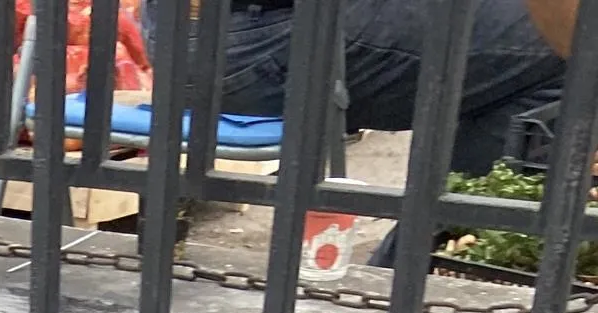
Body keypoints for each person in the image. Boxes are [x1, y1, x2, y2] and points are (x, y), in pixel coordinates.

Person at [221, 0, 565, 174]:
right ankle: (440, 257)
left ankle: (439, 253)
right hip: (251, 36)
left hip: (203, 34)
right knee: (572, 43)